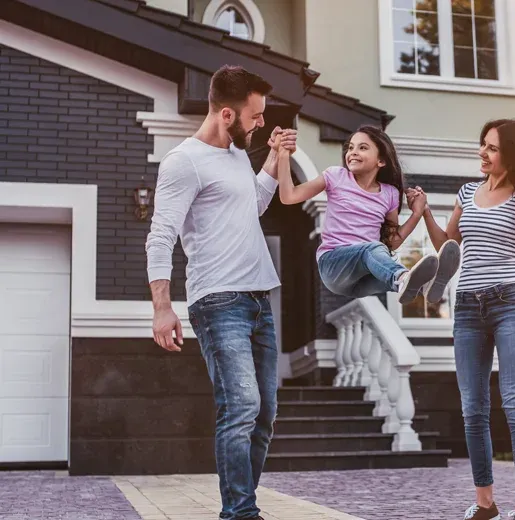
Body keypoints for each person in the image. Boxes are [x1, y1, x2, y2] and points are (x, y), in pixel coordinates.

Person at [145, 65, 295, 520]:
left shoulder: (234, 155)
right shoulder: (182, 162)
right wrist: (162, 307)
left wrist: (272, 159)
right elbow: (160, 234)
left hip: (258, 299)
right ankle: (241, 513)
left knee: (265, 413)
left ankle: (240, 505)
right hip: (218, 302)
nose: (260, 124)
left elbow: (253, 206)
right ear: (226, 113)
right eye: (254, 117)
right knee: (242, 405)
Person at [409, 119, 515, 520]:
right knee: (473, 408)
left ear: (510, 153)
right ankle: (485, 502)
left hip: (511, 303)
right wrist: (425, 215)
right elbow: (448, 247)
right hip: (468, 310)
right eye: (482, 146)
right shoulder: (466, 192)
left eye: (491, 148)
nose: (482, 153)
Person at [273, 124, 460, 304]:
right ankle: (402, 277)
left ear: (381, 160)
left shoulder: (390, 194)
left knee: (385, 263)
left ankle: (426, 284)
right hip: (333, 265)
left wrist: (417, 213)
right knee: (374, 252)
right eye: (350, 147)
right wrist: (282, 155)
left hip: (362, 278)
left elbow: (391, 242)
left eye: (362, 148)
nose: (353, 152)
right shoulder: (336, 176)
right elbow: (289, 196)